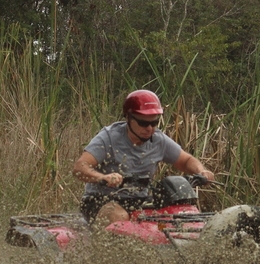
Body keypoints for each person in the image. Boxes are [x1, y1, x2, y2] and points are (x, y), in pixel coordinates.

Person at [72, 89, 215, 225]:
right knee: (119, 217)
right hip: (100, 201)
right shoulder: (108, 137)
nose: (150, 128)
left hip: (140, 201)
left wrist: (201, 171)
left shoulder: (159, 140)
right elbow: (80, 167)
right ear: (128, 117)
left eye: (154, 123)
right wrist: (102, 178)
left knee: (178, 215)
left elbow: (186, 161)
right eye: (143, 123)